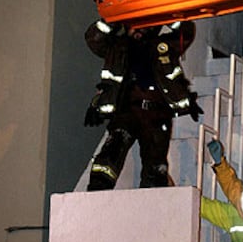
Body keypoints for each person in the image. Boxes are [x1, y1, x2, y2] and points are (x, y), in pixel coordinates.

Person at [84, 19, 203, 190]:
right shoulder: (117, 47)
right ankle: (96, 194)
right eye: (135, 24)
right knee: (111, 153)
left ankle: (151, 207)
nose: (139, 29)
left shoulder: (164, 46)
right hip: (126, 112)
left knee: (156, 169)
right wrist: (114, 19)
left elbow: (187, 31)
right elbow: (93, 38)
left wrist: (166, 15)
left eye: (145, 24)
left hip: (157, 116)